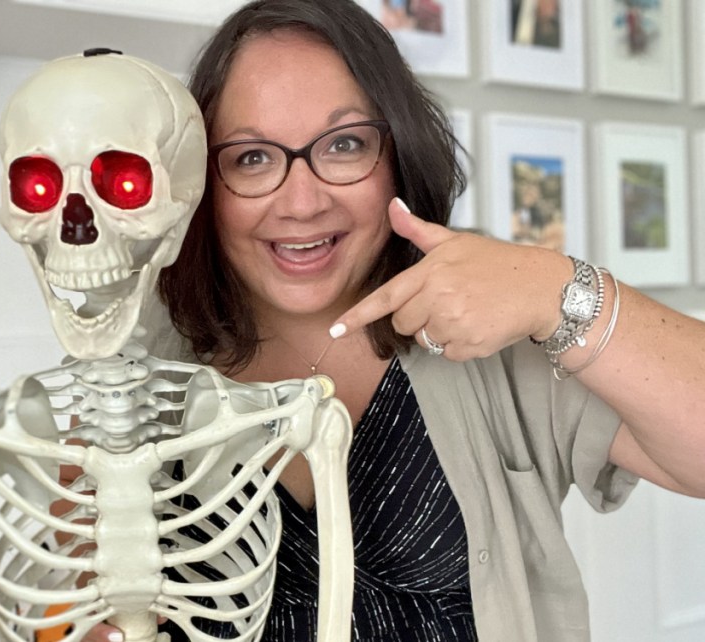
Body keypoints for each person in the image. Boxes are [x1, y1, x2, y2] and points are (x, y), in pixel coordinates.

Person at [85, 0, 705, 640]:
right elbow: (77, 590)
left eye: (345, 144)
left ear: (397, 158)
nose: (301, 202)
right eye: (251, 157)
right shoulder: (140, 369)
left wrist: (558, 290)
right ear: (201, 182)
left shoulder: (495, 340)